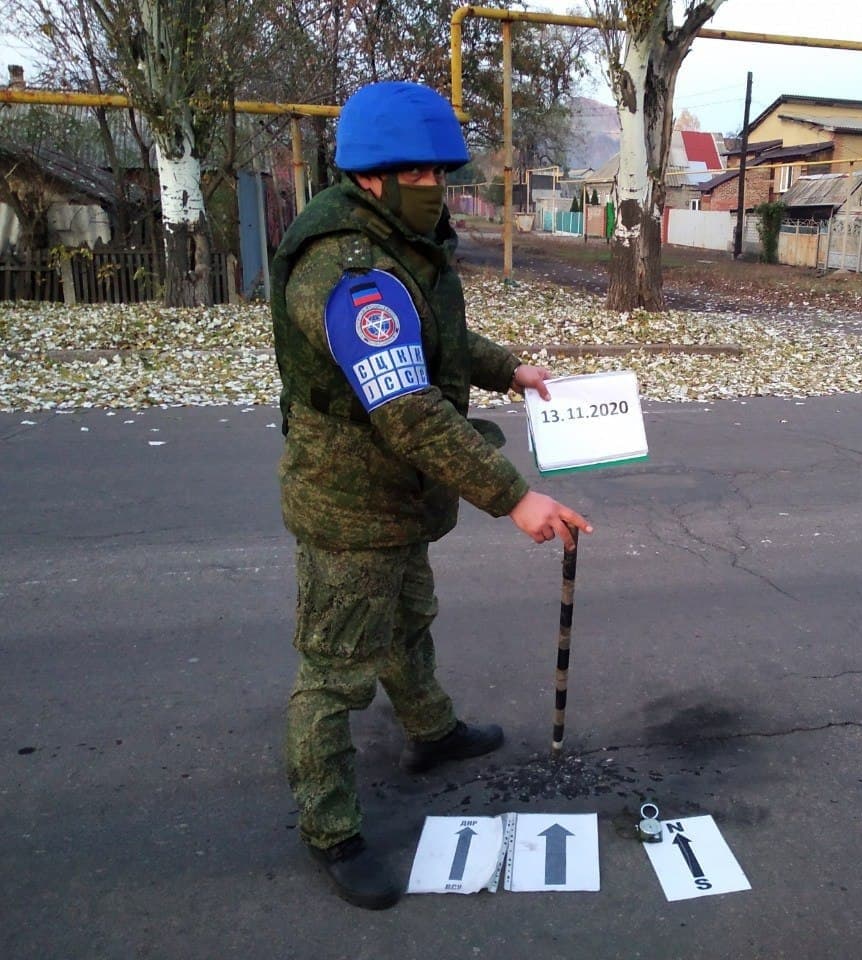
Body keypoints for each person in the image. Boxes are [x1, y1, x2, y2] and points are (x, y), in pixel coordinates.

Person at [269, 80, 592, 910]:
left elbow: (436, 336)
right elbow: (408, 407)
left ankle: (430, 731)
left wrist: (509, 369)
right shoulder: (344, 272)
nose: (433, 186)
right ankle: (330, 829)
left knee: (409, 617)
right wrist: (513, 497)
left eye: (441, 171)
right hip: (350, 502)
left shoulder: (399, 241)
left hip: (399, 493)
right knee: (335, 671)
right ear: (368, 176)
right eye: (415, 171)